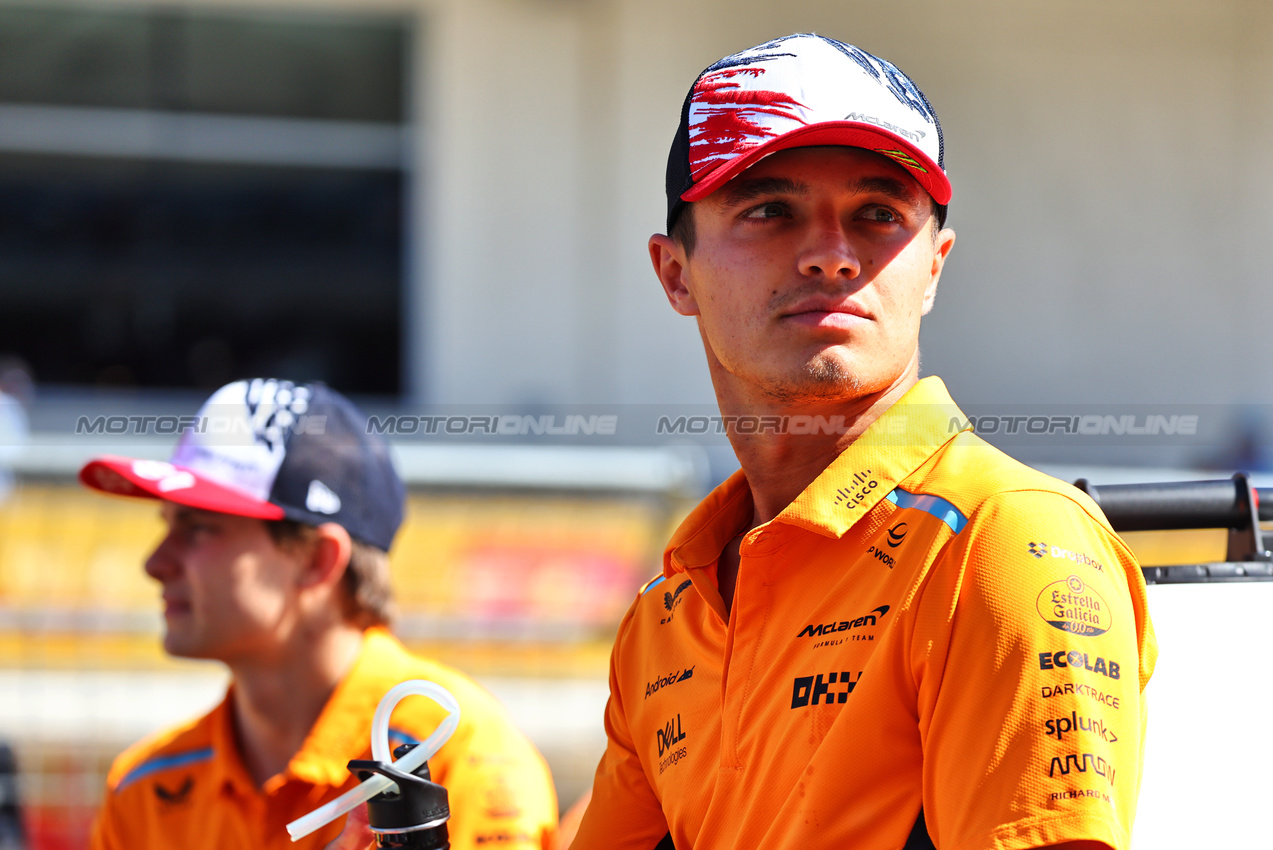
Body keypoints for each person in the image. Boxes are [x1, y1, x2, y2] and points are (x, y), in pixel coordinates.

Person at [570, 34, 1156, 850]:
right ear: (675, 274)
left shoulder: (999, 541)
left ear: (934, 267)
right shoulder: (669, 608)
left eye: (877, 215)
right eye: (769, 210)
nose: (830, 256)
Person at [81, 378, 558, 850]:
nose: (155, 562)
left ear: (317, 560)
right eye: (168, 524)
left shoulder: (459, 755)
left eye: (200, 528)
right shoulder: (143, 789)